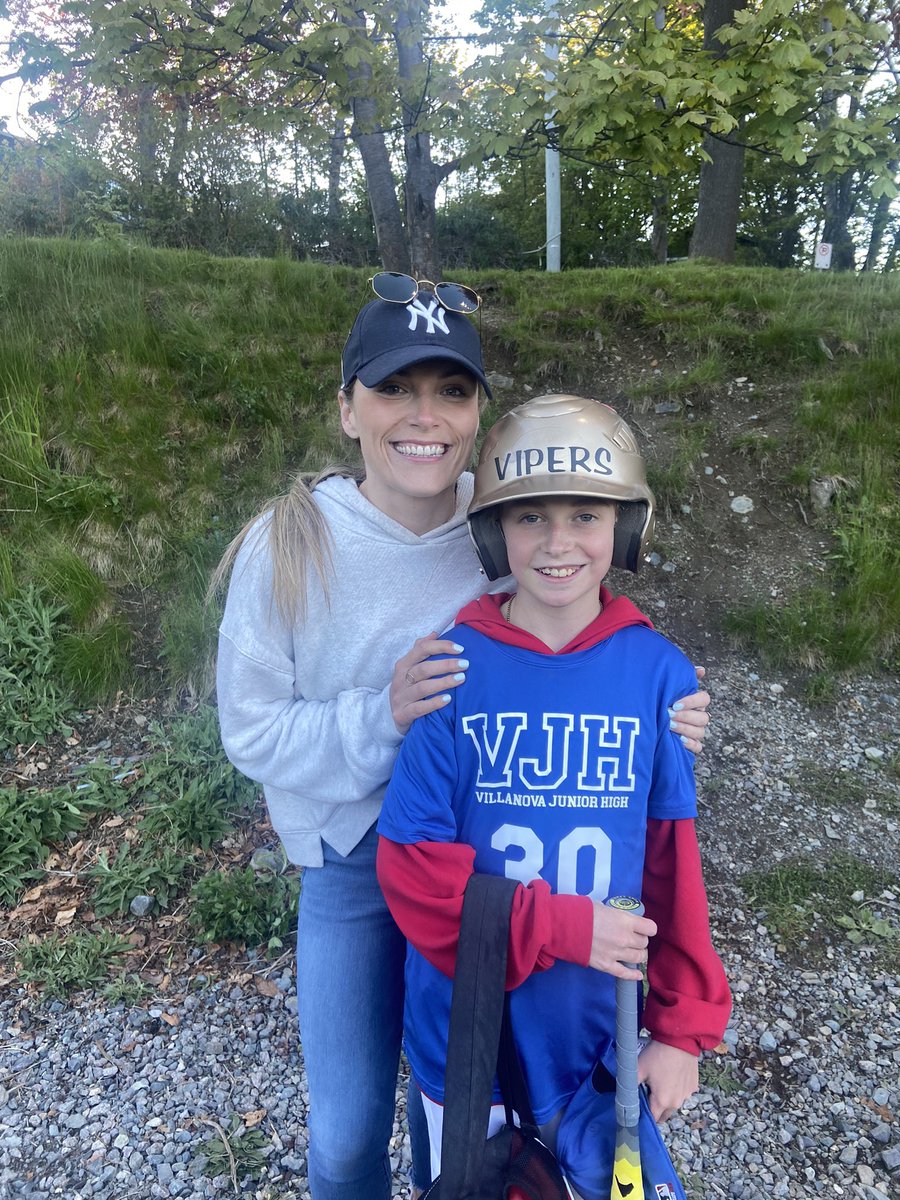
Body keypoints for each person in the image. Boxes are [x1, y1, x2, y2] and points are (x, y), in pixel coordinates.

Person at [213, 281, 711, 1200]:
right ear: (347, 407)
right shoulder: (289, 541)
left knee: (458, 1113)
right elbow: (249, 730)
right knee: (347, 1130)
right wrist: (383, 713)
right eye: (394, 389)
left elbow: (579, 592)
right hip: (361, 857)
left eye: (452, 391)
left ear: (480, 414)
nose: (424, 417)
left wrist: (663, 700)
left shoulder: (509, 506)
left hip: (499, 855)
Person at [376, 393, 731, 1190]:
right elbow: (411, 870)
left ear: (625, 528)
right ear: (494, 530)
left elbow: (674, 870)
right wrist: (564, 926)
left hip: (598, 1045)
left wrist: (679, 1025)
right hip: (468, 1051)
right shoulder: (454, 669)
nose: (559, 542)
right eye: (531, 517)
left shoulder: (659, 678)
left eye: (585, 516)